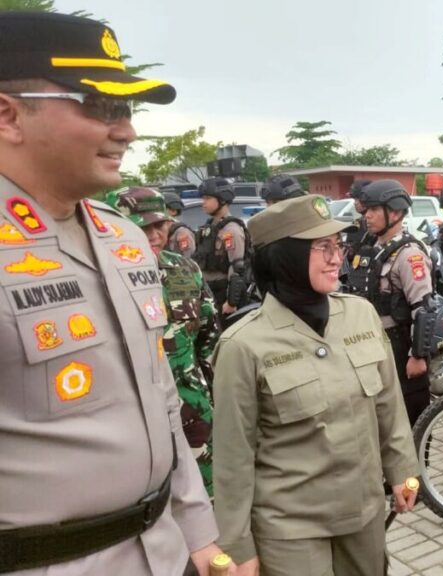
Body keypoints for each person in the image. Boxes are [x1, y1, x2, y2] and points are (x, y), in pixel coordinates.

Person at [0, 11, 229, 575]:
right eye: (101, 106)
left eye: (126, 110)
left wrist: (198, 532)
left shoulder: (123, 238)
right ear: (8, 115)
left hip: (161, 550)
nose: (126, 131)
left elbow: (162, 397)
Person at [212, 195, 419, 576]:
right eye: (321, 247)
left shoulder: (360, 315)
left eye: (337, 245)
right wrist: (236, 545)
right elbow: (233, 457)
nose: (336, 257)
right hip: (290, 530)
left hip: (364, 513)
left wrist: (402, 468)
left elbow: (388, 404)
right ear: (284, 257)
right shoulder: (243, 345)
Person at [110, 187, 220, 496]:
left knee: (206, 496)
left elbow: (209, 339)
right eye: (142, 226)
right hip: (134, 415)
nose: (153, 234)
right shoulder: (100, 277)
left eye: (160, 224)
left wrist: (216, 397)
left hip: (192, 408)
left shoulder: (185, 269)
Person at [347, 180, 437, 425]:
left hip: (399, 345)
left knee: (411, 419)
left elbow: (424, 308)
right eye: (367, 209)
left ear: (395, 213)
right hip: (371, 343)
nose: (367, 215)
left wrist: (418, 355)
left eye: (374, 209)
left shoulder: (409, 254)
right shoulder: (371, 249)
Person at [194, 177, 252, 318]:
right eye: (203, 198)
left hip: (222, 294)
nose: (203, 203)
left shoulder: (231, 230)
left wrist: (231, 302)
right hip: (207, 291)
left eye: (208, 198)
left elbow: (237, 267)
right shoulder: (209, 227)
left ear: (223, 199)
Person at [340, 179, 374, 288]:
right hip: (352, 280)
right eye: (354, 199)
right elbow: (346, 256)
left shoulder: (377, 228)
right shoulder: (356, 225)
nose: (355, 202)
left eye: (358, 199)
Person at [164, 191, 197, 259]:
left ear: (173, 211)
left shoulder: (182, 233)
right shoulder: (162, 230)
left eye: (162, 208)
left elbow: (188, 259)